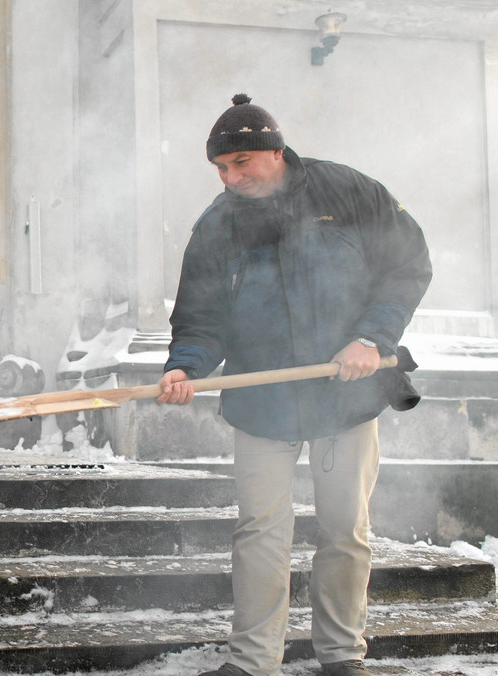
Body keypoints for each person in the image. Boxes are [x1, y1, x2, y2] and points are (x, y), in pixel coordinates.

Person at [156, 95, 432, 676]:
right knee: (258, 532)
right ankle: (253, 662)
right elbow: (201, 314)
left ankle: (341, 657)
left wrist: (373, 338)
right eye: (222, 168)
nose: (232, 177)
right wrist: (186, 366)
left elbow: (407, 264)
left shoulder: (347, 191)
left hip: (346, 396)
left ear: (275, 150)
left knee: (344, 532)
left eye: (242, 162)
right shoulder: (217, 223)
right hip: (263, 402)